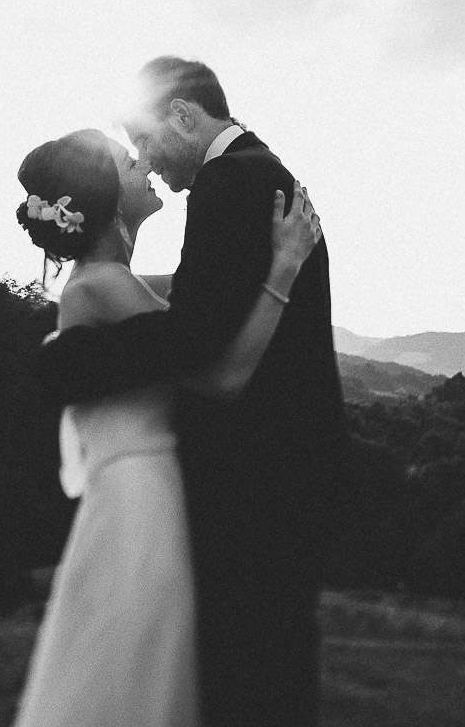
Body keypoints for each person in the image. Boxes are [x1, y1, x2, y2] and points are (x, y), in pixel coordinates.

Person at [32, 58, 351, 727]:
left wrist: (68, 362)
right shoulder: (253, 176)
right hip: (239, 480)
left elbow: (194, 338)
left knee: (244, 673)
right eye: (130, 157)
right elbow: (195, 326)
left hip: (256, 480)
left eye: (143, 140)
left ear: (182, 115)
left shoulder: (230, 182)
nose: (146, 163)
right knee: (226, 671)